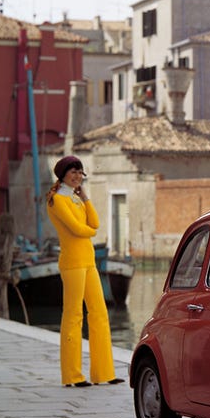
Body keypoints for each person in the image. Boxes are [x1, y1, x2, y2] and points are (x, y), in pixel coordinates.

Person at [45, 156, 123, 387]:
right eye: (73, 172)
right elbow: (78, 229)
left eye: (80, 172)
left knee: (99, 314)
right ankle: (72, 375)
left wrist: (86, 198)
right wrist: (89, 230)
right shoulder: (57, 200)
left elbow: (95, 223)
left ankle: (104, 373)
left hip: (88, 262)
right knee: (73, 316)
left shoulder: (77, 199)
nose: (78, 176)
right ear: (63, 174)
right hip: (72, 263)